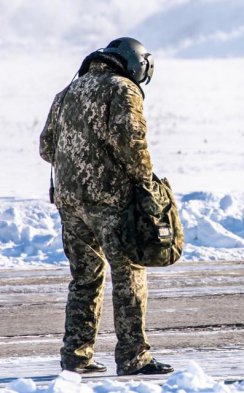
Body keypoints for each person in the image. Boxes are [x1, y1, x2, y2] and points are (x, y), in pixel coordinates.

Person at [39, 37, 173, 376]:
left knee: (85, 278)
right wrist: (146, 185)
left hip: (70, 204)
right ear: (135, 64)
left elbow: (45, 147)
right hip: (111, 202)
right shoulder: (122, 89)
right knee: (129, 275)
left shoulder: (67, 92)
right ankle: (134, 357)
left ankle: (76, 356)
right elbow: (132, 143)